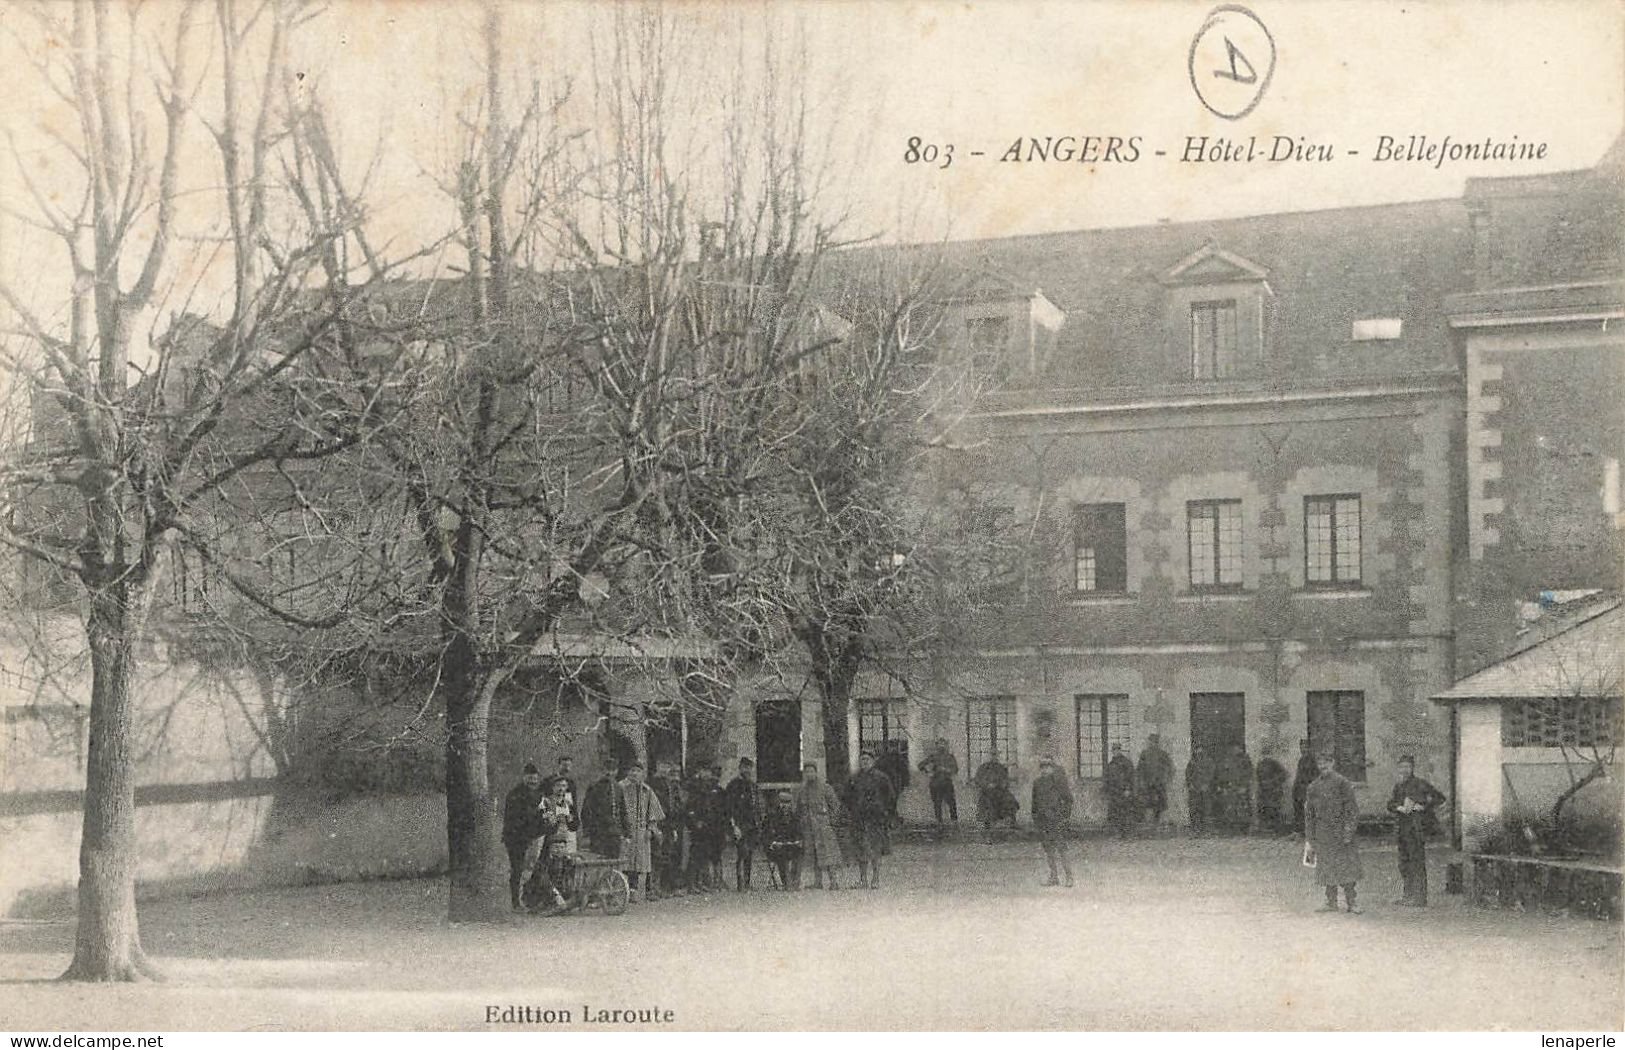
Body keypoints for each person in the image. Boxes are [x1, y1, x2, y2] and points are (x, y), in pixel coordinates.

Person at [1304, 750, 1364, 914]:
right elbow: (1309, 814)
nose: (1323, 766)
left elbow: (1352, 810)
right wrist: (1310, 836)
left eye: (1326, 762)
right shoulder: (1313, 787)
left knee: (1347, 868)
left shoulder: (1342, 783)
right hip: (1322, 833)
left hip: (1341, 832)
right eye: (1320, 763)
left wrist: (1348, 831)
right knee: (1326, 867)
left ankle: (1352, 902)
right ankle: (1331, 902)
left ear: (1333, 763)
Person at [1386, 755, 1446, 907]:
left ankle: (1419, 898)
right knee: (1404, 863)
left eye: (1407, 767)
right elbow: (1390, 804)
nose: (1404, 770)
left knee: (1416, 862)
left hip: (1416, 828)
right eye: (1401, 767)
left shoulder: (1420, 784)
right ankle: (1407, 896)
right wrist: (1398, 807)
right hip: (1402, 828)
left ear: (1412, 768)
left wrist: (1423, 806)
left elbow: (1440, 798)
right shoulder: (1398, 786)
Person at [501, 763, 548, 912]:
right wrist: (537, 812)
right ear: (524, 777)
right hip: (516, 838)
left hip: (534, 836)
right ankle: (516, 902)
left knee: (534, 868)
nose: (533, 782)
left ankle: (531, 899)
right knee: (517, 869)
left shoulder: (539, 795)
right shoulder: (514, 794)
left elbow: (542, 816)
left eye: (535, 779)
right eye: (530, 779)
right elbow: (518, 817)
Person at [846, 750, 896, 889]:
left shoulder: (881, 778)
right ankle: (863, 880)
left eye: (867, 759)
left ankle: (876, 879)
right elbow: (847, 797)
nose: (865, 762)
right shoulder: (854, 778)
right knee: (861, 849)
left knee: (875, 849)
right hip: (859, 819)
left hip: (876, 819)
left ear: (873, 761)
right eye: (862, 760)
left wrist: (885, 812)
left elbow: (890, 797)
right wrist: (853, 810)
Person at [618, 761, 666, 902]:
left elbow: (654, 811)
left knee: (639, 862)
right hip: (625, 830)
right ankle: (623, 890)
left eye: (637, 771)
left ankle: (637, 890)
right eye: (632, 770)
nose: (634, 773)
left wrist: (651, 828)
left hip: (641, 831)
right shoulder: (620, 787)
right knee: (624, 860)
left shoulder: (647, 790)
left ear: (642, 774)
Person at [794, 762, 844, 890]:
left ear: (816, 772)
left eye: (812, 771)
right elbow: (799, 810)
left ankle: (834, 882)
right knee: (814, 854)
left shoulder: (825, 788)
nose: (809, 774)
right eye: (807, 772)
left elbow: (836, 806)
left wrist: (831, 822)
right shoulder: (802, 790)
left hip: (823, 827)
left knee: (828, 854)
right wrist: (802, 822)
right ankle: (818, 882)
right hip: (808, 828)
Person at [1032, 755, 1076, 887]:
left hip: (1056, 820)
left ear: (1052, 768)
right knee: (1048, 849)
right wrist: (1036, 818)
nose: (1045, 769)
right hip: (1043, 821)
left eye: (1048, 766)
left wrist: (1064, 818)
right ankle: (1054, 876)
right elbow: (1034, 804)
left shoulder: (1059, 782)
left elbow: (1068, 800)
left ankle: (1069, 877)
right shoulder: (1037, 783)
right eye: (1043, 767)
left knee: (1062, 848)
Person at [723, 757, 762, 892]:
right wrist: (734, 827)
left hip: (752, 825)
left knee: (750, 853)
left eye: (749, 767)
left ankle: (747, 881)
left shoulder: (753, 785)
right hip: (739, 825)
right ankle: (740, 884)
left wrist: (758, 823)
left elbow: (757, 806)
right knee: (742, 853)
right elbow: (729, 808)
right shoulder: (733, 785)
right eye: (744, 767)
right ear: (740, 768)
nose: (747, 770)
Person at [648, 760, 686, 897]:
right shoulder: (652, 784)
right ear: (658, 766)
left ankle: (666, 887)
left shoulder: (671, 786)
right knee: (656, 856)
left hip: (670, 825)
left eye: (667, 766)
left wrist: (674, 827)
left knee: (669, 856)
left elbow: (675, 807)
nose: (665, 769)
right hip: (658, 824)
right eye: (662, 766)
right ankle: (652, 888)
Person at [580, 759, 628, 863]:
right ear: (602, 771)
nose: (609, 773)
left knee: (614, 862)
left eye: (613, 770)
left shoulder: (619, 788)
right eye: (607, 770)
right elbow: (586, 811)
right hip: (599, 832)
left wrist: (626, 832)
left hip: (614, 833)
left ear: (616, 771)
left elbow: (623, 811)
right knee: (598, 862)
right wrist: (587, 832)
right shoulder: (594, 787)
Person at [684, 766, 724, 892]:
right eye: (704, 771)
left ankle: (700, 882)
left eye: (708, 771)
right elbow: (689, 807)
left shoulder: (708, 788)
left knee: (703, 855)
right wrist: (695, 822)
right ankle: (691, 884)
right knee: (695, 854)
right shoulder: (693, 786)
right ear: (699, 772)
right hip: (697, 826)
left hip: (707, 826)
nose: (707, 774)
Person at [762, 790, 804, 891]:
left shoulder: (794, 817)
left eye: (788, 803)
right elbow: (765, 835)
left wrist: (798, 841)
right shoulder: (771, 817)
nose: (785, 806)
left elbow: (798, 833)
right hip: (775, 848)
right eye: (783, 802)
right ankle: (787, 882)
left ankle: (795, 881)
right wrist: (773, 843)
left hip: (790, 846)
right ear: (779, 803)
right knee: (782, 854)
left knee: (800, 852)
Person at [973, 755, 1019, 841]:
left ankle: (1008, 827)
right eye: (992, 755)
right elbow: (978, 780)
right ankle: (988, 834)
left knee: (1010, 801)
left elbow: (1005, 781)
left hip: (999, 792)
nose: (993, 757)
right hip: (986, 792)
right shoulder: (983, 768)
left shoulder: (1001, 768)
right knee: (987, 806)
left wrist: (998, 785)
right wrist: (987, 785)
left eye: (995, 755)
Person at [918, 738, 959, 828]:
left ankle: (954, 821)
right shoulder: (933, 757)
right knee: (937, 803)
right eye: (939, 744)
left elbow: (955, 769)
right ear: (936, 746)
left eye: (943, 744)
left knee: (951, 802)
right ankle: (939, 821)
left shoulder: (950, 757)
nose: (941, 746)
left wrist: (946, 770)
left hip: (947, 782)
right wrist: (928, 772)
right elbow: (920, 765)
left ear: (946, 746)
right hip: (935, 783)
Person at [1137, 733, 1174, 827]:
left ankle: (1157, 824)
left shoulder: (1163, 754)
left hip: (1159, 784)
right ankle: (1150, 825)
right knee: (1147, 805)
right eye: (1151, 741)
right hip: (1147, 785)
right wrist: (1141, 782)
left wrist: (1166, 779)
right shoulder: (1144, 754)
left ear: (1157, 743)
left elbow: (1170, 768)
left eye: (1154, 742)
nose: (1152, 743)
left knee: (1159, 806)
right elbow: (1140, 769)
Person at [1103, 743, 1138, 839]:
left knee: (1125, 813)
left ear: (1120, 750)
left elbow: (1131, 777)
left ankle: (1127, 834)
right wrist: (1106, 790)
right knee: (1115, 813)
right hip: (1114, 793)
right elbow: (1107, 778)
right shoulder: (1111, 764)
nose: (1116, 751)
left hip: (1124, 793)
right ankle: (1117, 833)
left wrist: (1128, 789)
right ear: (1112, 751)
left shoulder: (1126, 763)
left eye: (1117, 749)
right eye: (1114, 750)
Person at [1218, 743, 1255, 834]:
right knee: (1230, 808)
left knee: (1243, 808)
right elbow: (1222, 774)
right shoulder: (1226, 760)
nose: (1234, 749)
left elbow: (1249, 773)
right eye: (1232, 748)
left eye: (1236, 748)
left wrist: (1244, 786)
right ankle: (1232, 828)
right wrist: (1224, 787)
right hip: (1230, 787)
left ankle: (1244, 828)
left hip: (1241, 787)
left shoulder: (1245, 760)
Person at [875, 746, 909, 827]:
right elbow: (905, 772)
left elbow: (904, 772)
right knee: (892, 801)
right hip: (893, 784)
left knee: (887, 801)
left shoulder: (883, 758)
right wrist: (905, 783)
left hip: (890, 783)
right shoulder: (899, 759)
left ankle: (889, 819)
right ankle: (891, 819)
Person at [1256, 752, 1289, 834]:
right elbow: (1258, 778)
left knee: (1274, 809)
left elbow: (1284, 774)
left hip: (1273, 791)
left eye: (1266, 752)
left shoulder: (1274, 763)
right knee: (1263, 808)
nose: (1264, 755)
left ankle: (1276, 829)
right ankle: (1265, 828)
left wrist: (1274, 782)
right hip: (1263, 791)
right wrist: (1261, 786)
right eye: (1263, 753)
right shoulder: (1260, 764)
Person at [1291, 738, 1319, 835]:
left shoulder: (1311, 760)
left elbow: (1314, 776)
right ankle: (1300, 831)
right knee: (1299, 810)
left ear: (1310, 748)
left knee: (1308, 811)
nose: (1303, 749)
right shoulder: (1302, 759)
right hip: (1299, 789)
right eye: (1301, 747)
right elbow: (1299, 775)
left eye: (1305, 747)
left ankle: (1309, 832)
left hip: (1307, 789)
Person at [1185, 745, 1214, 834]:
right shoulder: (1192, 762)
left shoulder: (1209, 762)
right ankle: (1195, 828)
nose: (1199, 753)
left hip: (1204, 789)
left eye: (1201, 751)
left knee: (1205, 809)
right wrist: (1190, 784)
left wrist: (1206, 784)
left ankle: (1205, 829)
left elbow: (1211, 774)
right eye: (1197, 751)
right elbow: (1188, 774)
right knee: (1194, 809)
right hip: (1194, 789)